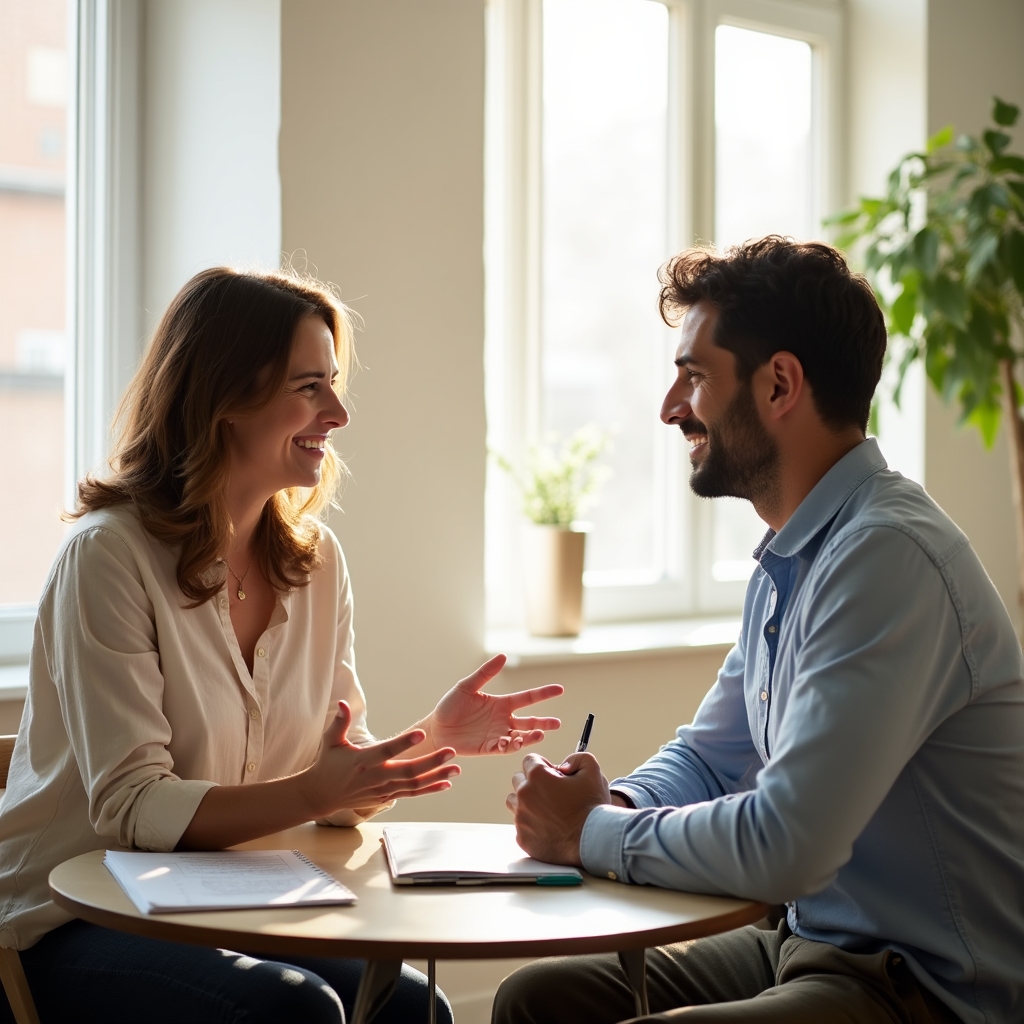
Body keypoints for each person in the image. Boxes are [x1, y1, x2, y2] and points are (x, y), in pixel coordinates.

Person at [0, 266, 563, 1024]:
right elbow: (133, 808)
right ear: (227, 398)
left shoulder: (315, 562)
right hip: (71, 916)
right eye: (309, 387)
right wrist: (314, 792)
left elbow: (332, 786)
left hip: (233, 903)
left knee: (413, 1009)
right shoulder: (109, 558)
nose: (338, 411)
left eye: (333, 383)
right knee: (289, 1011)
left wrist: (431, 737)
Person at [497, 237, 1024, 1024]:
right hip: (811, 942)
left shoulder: (887, 557)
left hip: (926, 986)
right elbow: (713, 755)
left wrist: (591, 834)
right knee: (541, 998)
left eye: (695, 375)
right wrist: (614, 798)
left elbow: (788, 844)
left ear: (780, 383)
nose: (672, 407)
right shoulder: (798, 554)